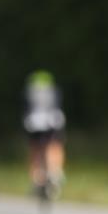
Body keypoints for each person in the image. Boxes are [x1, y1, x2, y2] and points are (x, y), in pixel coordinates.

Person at [22, 70, 66, 202]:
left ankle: (37, 177)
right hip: (52, 122)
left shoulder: (28, 91)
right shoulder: (54, 90)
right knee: (55, 146)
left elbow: (25, 108)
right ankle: (55, 172)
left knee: (35, 149)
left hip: (33, 122)